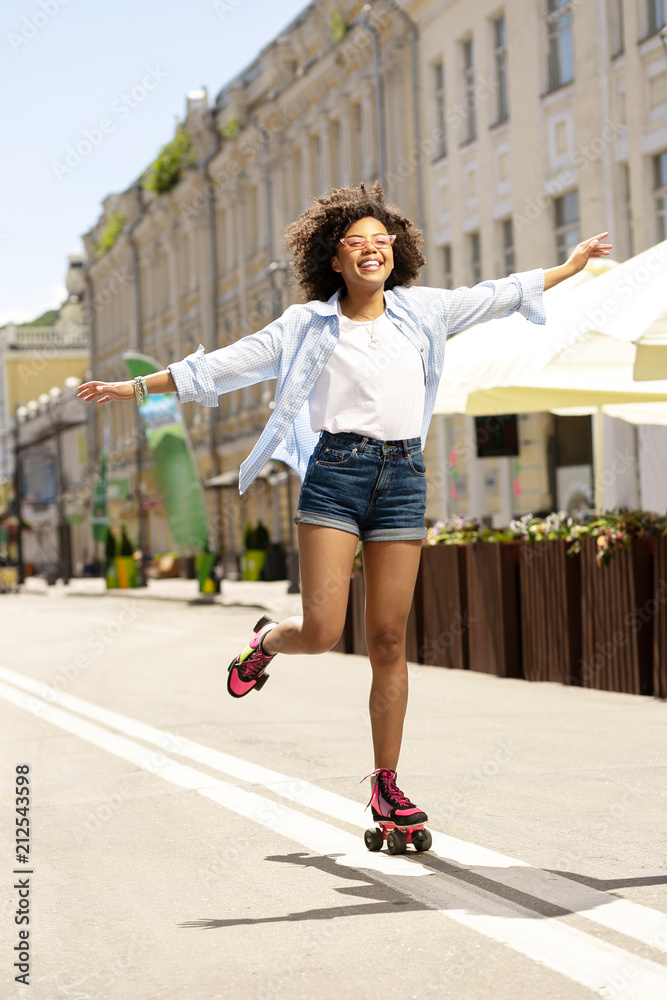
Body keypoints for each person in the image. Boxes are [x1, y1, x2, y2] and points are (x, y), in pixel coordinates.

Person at [78, 182, 612, 832]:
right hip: (335, 474)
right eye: (355, 242)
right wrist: (134, 387)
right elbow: (222, 366)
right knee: (326, 630)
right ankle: (267, 642)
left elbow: (498, 293)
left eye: (379, 241)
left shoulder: (425, 311)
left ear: (395, 251)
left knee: (388, 638)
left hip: (403, 477)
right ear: (333, 258)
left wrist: (571, 263)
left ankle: (385, 784)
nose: (369, 250)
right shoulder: (305, 325)